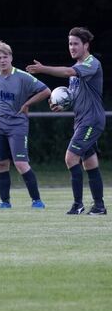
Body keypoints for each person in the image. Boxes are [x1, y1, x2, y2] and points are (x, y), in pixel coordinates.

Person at [27, 27, 106, 215]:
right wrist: (59, 105)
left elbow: (66, 72)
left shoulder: (91, 63)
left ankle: (77, 205)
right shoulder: (76, 72)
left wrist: (43, 69)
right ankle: (99, 206)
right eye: (70, 44)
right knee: (90, 163)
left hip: (91, 120)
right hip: (81, 120)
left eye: (76, 44)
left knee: (70, 157)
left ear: (86, 45)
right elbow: (74, 98)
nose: (72, 47)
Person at [0, 41, 51, 208]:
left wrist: (27, 104)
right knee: (1, 163)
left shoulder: (22, 77)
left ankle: (37, 201)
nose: (2, 60)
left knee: (21, 163)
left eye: (5, 57)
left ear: (11, 58)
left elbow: (46, 91)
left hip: (17, 125)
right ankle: (5, 202)